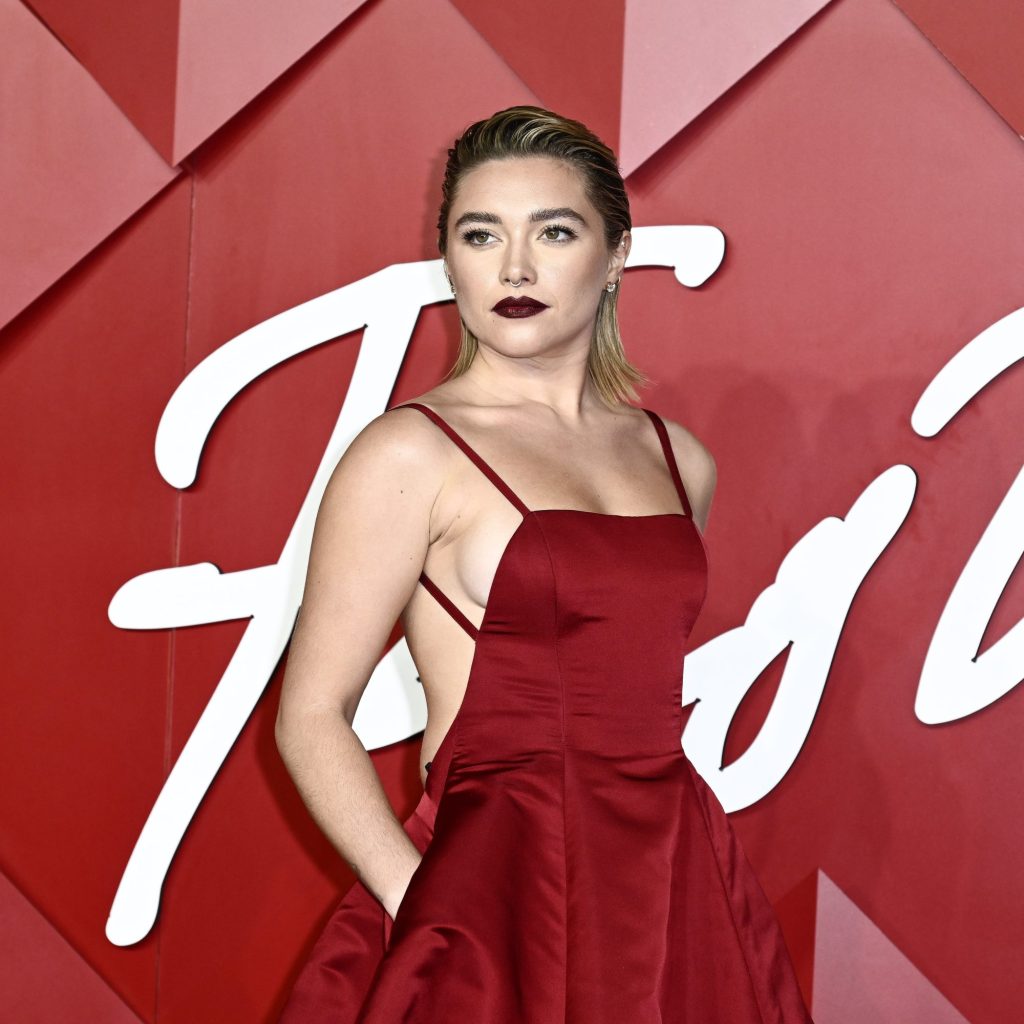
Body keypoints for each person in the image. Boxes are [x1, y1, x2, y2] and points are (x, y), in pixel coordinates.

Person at [275, 105, 813, 1022]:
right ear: (449, 259)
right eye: (480, 235)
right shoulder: (408, 452)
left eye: (554, 233)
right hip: (489, 892)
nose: (514, 269)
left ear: (616, 256)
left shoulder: (678, 460)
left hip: (671, 880)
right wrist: (424, 904)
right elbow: (311, 715)